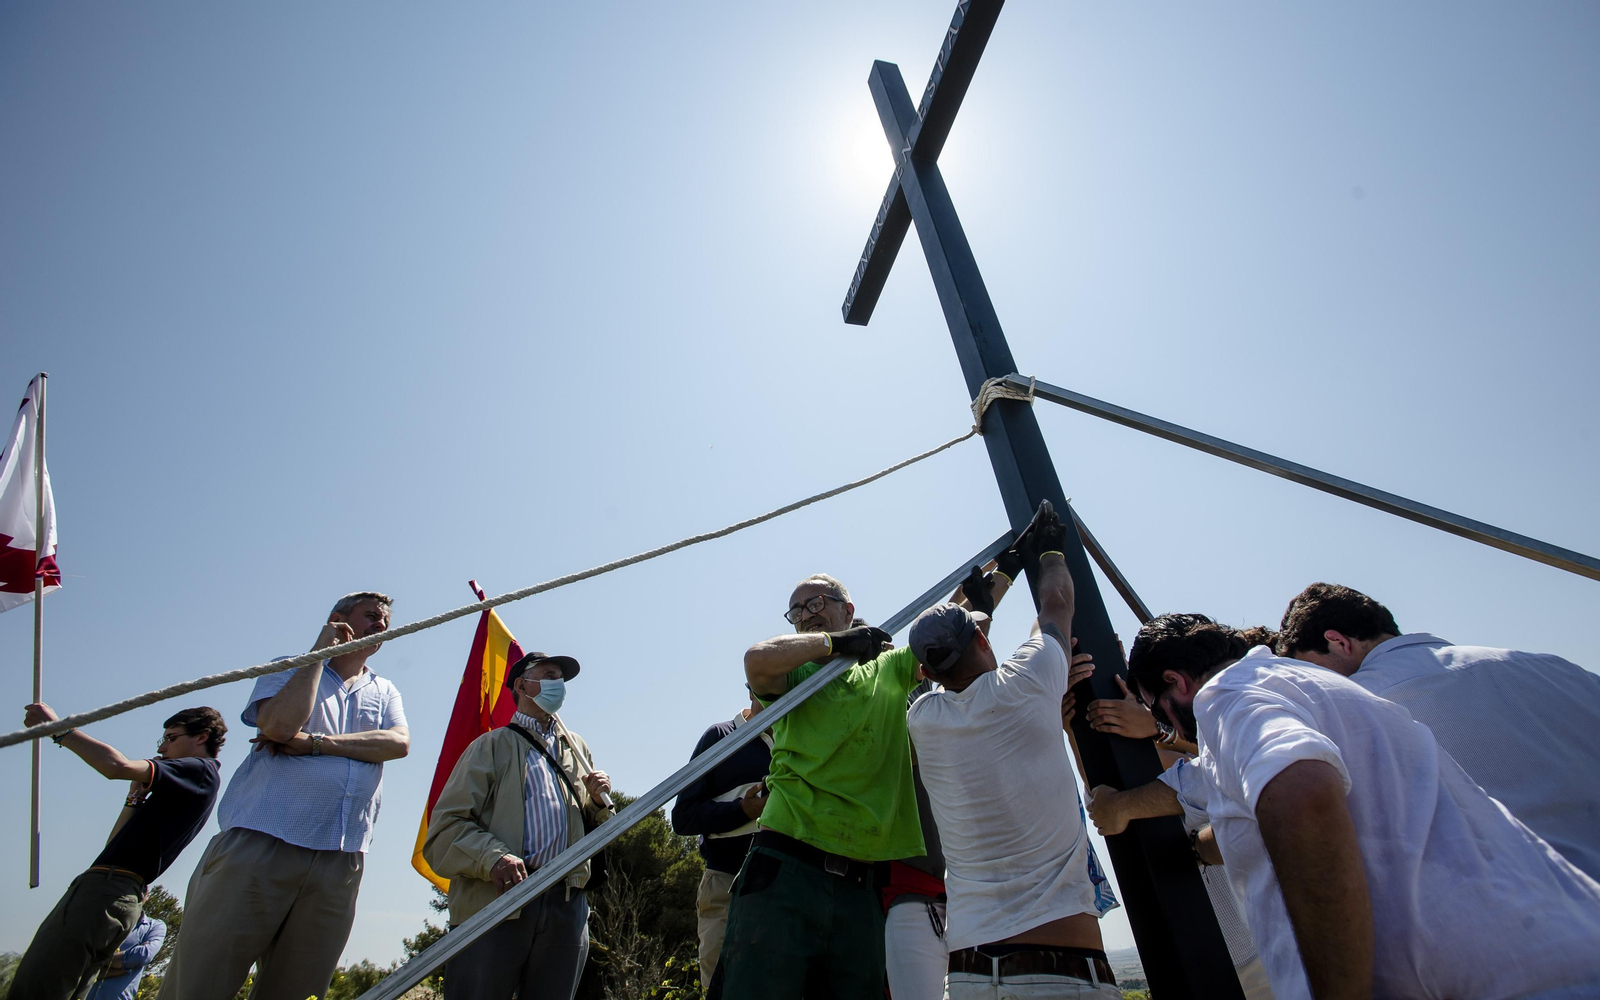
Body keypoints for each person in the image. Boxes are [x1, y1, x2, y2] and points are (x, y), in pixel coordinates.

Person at [1097, 616, 1600, 1000]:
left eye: (1155, 704)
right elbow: (1210, 779)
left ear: (1177, 683)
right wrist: (1122, 807)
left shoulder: (1226, 695)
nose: (1178, 731)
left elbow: (1302, 790)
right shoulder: (1305, 688)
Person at [906, 503, 1121, 1000]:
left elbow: (936, 675)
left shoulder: (923, 722)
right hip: (1064, 970)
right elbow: (1056, 607)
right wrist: (1047, 551)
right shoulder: (1026, 682)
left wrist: (981, 609)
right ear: (982, 635)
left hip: (967, 974)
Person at [159, 591, 410, 1000]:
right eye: (371, 616)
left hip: (340, 856)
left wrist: (316, 743)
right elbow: (276, 726)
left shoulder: (386, 690)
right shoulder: (288, 667)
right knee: (202, 979)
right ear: (338, 619)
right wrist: (318, 652)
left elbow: (398, 744)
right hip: (262, 843)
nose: (381, 625)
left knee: (299, 989)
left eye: (385, 620)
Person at [1278, 581, 1600, 881]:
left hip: (1542, 908)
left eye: (1310, 667)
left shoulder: (1356, 708)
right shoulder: (1553, 666)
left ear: (1338, 642)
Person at [711, 573, 920, 1000]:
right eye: (798, 610)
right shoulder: (795, 675)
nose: (808, 614)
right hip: (785, 866)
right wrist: (837, 645)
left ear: (849, 610)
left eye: (818, 602)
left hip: (860, 885)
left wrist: (1002, 576)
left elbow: (945, 631)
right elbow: (757, 660)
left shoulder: (890, 669)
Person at [424, 650, 614, 1000]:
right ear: (522, 685)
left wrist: (600, 804)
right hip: (499, 904)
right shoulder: (490, 746)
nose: (557, 684)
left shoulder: (577, 748)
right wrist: (494, 858)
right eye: (548, 674)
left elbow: (594, 831)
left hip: (566, 905)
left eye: (560, 678)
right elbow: (445, 829)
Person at [11, 705, 224, 1000]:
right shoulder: (189, 782)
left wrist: (57, 729)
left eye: (171, 738)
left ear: (201, 737)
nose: (162, 747)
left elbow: (116, 766)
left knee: (38, 986)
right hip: (117, 889)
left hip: (105, 893)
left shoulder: (198, 771)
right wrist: (134, 797)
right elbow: (113, 845)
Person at [670, 689, 773, 991]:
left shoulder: (799, 741)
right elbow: (683, 816)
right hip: (725, 885)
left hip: (786, 888)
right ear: (752, 686)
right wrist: (742, 809)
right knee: (722, 987)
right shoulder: (720, 736)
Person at [85, 913, 168, 1000]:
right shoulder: (101, 917)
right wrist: (125, 966)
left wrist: (97, 960)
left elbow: (143, 955)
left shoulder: (154, 926)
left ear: (147, 898)